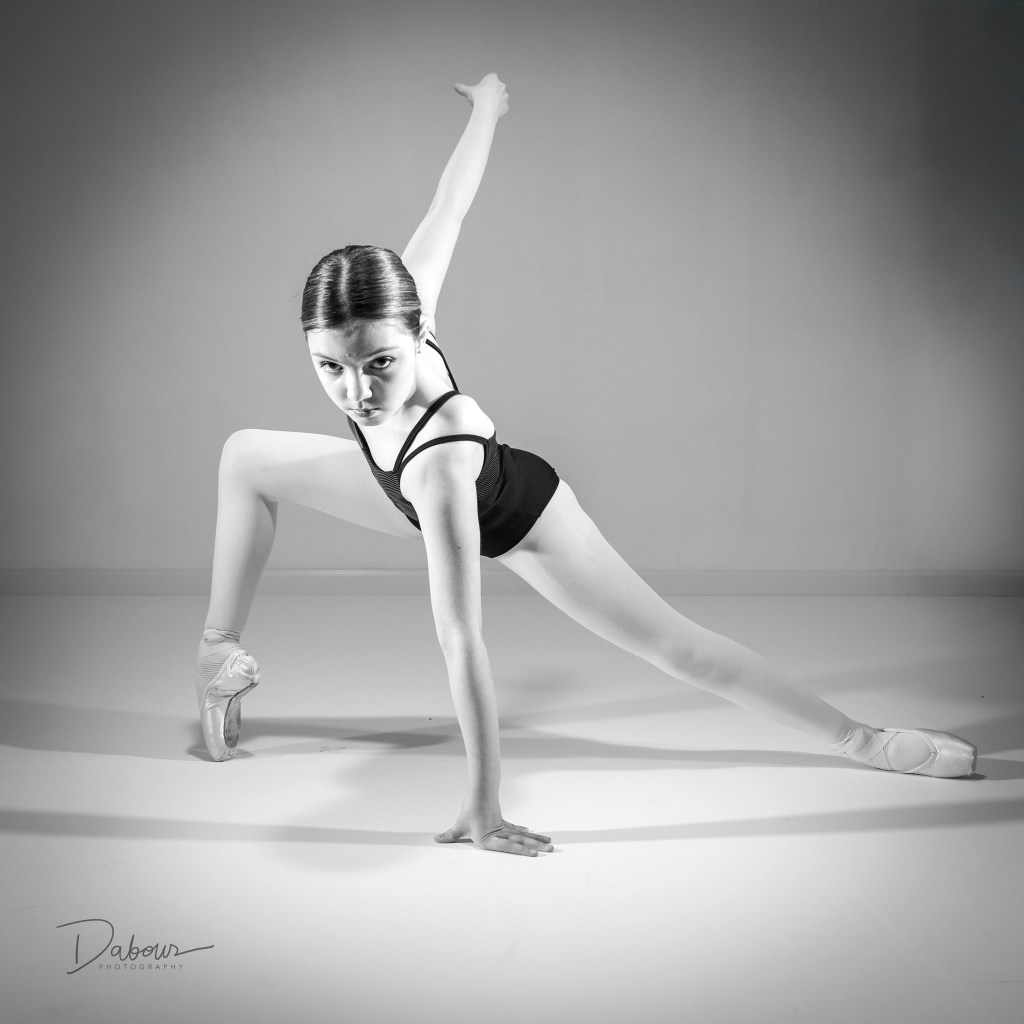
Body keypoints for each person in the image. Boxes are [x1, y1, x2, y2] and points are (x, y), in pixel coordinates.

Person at [195, 73, 977, 857]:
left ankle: (862, 741)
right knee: (245, 458)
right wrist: (490, 108)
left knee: (682, 650)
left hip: (515, 516)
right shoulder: (395, 312)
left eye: (379, 366)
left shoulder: (441, 456)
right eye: (329, 367)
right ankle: (216, 655)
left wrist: (484, 808)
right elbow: (449, 206)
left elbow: (461, 639)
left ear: (414, 331)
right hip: (396, 491)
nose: (357, 392)